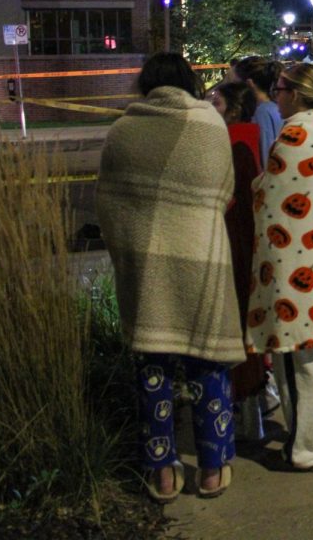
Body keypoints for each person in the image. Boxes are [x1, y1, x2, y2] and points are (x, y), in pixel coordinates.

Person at [97, 52, 245, 501]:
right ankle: (213, 471)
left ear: (146, 83)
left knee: (153, 372)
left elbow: (109, 202)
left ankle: (162, 474)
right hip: (201, 256)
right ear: (187, 81)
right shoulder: (208, 124)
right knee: (207, 365)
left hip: (147, 266)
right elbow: (224, 190)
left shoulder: (124, 129)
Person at [247, 63, 313, 472]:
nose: (275, 96)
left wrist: (255, 186)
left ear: (293, 93)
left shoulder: (293, 135)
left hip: (294, 263)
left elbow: (269, 194)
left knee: (299, 353)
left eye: (278, 90)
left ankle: (306, 445)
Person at [209, 81, 268, 441]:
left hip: (236, 239)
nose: (208, 106)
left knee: (238, 320)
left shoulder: (233, 143)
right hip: (244, 236)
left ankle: (247, 403)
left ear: (232, 109)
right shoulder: (241, 137)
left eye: (215, 101)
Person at [233, 56, 283, 168]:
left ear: (249, 83)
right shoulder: (276, 107)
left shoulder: (262, 113)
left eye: (236, 84)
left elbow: (266, 158)